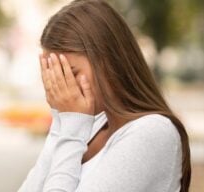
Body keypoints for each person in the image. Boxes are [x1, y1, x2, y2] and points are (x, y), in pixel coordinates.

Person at [18, 0, 191, 192]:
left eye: (71, 73)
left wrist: (70, 128)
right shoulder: (87, 129)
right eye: (53, 75)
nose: (61, 86)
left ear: (108, 62)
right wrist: (60, 124)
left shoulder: (153, 132)